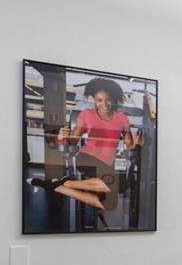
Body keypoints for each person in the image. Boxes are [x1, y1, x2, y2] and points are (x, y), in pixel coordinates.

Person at [56, 77, 142, 211]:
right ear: (93, 99)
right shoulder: (86, 114)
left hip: (108, 165)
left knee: (110, 205)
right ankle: (68, 183)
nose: (105, 104)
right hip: (87, 158)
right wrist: (62, 138)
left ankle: (64, 185)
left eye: (108, 99)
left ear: (114, 98)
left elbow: (129, 144)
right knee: (109, 184)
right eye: (99, 100)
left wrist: (136, 144)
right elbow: (72, 141)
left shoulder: (122, 118)